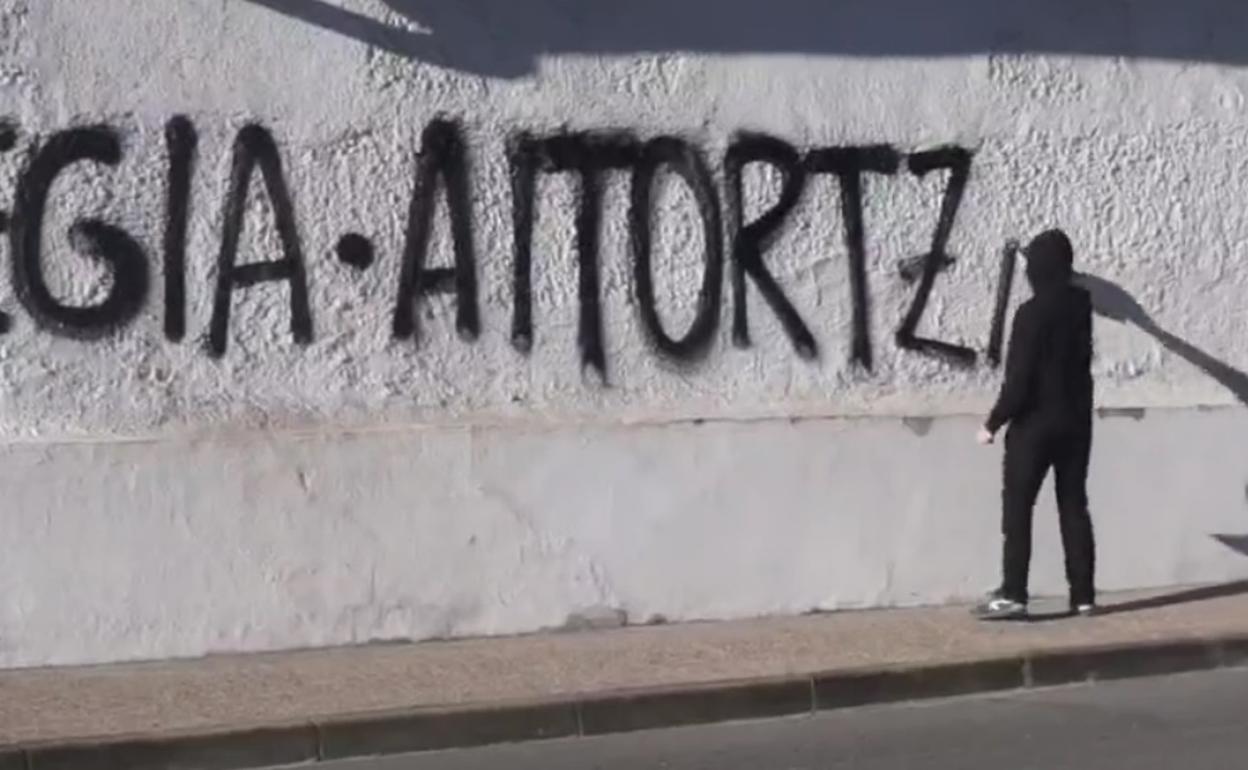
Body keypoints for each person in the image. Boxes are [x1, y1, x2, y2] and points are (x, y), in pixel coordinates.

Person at [973, 229, 1097, 621]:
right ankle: (1083, 596)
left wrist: (992, 423)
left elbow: (1020, 380)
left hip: (1035, 426)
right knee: (1073, 506)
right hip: (1076, 424)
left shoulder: (1031, 313)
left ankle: (1014, 593)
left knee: (1018, 509)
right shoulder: (1082, 306)